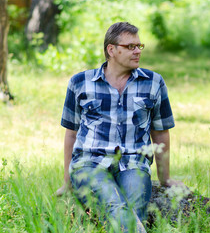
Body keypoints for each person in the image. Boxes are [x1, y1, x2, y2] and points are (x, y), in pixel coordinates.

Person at [56, 22, 183, 232]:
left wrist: (165, 178)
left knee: (134, 208)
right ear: (111, 50)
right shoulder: (80, 82)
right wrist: (67, 181)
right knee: (113, 203)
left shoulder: (153, 82)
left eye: (139, 46)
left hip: (134, 163)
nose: (137, 51)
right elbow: (71, 133)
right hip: (89, 163)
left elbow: (160, 133)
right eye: (130, 46)